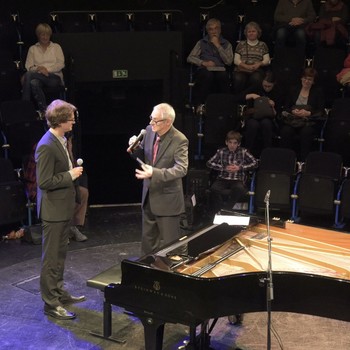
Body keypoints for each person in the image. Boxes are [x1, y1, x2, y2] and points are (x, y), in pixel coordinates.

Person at [35, 99, 86, 320]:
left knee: (60, 255)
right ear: (61, 121)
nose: (73, 122)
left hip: (63, 208)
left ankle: (58, 291)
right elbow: (44, 181)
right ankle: (51, 303)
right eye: (71, 119)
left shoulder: (61, 139)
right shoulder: (46, 145)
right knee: (51, 258)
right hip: (53, 211)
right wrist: (70, 175)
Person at [127, 103, 189, 255]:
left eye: (155, 121)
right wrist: (135, 149)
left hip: (168, 200)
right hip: (149, 195)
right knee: (148, 244)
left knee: (172, 247)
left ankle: (172, 276)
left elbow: (181, 169)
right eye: (151, 119)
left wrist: (154, 173)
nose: (151, 123)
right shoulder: (149, 131)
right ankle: (148, 275)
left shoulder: (179, 139)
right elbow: (147, 157)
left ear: (168, 122)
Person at [279, 67, 325, 161]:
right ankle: (286, 159)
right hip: (293, 120)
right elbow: (286, 107)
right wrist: (292, 111)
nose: (306, 81)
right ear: (301, 78)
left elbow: (321, 111)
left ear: (313, 81)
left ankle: (304, 161)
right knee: (286, 131)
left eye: (309, 79)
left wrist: (308, 113)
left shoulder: (318, 92)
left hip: (308, 121)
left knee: (306, 132)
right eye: (305, 78)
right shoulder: (293, 89)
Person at [206, 130, 258, 214]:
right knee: (213, 189)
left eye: (235, 143)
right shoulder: (221, 151)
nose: (232, 145)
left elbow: (255, 163)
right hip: (223, 177)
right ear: (226, 142)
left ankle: (226, 210)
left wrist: (240, 168)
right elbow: (209, 163)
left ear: (239, 144)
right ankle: (220, 209)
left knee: (239, 189)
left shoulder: (243, 152)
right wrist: (223, 168)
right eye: (230, 142)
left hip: (237, 178)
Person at [187, 18, 233, 108]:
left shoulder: (227, 44)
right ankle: (201, 105)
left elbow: (229, 61)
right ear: (207, 31)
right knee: (207, 75)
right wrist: (203, 62)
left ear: (220, 30)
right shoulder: (201, 42)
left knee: (223, 76)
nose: (214, 31)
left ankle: (224, 105)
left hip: (220, 69)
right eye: (211, 29)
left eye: (216, 28)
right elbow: (190, 58)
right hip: (205, 69)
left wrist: (218, 45)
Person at [239, 71, 284, 157]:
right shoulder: (256, 87)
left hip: (269, 118)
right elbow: (238, 97)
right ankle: (247, 153)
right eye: (265, 86)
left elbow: (277, 113)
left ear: (274, 84)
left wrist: (273, 106)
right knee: (253, 124)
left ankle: (267, 153)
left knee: (266, 123)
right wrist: (251, 95)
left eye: (269, 86)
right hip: (254, 116)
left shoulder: (278, 92)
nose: (266, 88)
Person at [22, 23, 65, 113]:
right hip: (38, 77)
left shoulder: (56, 47)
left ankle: (24, 106)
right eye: (43, 35)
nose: (45, 37)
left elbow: (60, 64)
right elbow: (28, 66)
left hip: (54, 77)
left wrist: (46, 69)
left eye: (47, 35)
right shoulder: (32, 49)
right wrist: (39, 69)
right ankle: (44, 111)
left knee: (28, 75)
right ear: (38, 35)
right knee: (34, 82)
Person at [232, 21, 271, 94]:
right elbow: (236, 60)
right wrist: (246, 66)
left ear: (258, 33)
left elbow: (267, 60)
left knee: (256, 78)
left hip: (257, 69)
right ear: (246, 33)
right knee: (238, 79)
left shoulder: (262, 45)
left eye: (253, 31)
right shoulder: (241, 44)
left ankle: (253, 100)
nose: (251, 33)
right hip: (242, 69)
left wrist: (259, 64)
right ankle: (239, 100)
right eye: (249, 31)